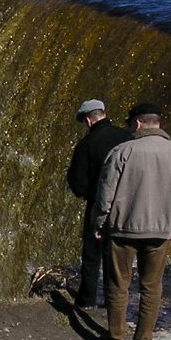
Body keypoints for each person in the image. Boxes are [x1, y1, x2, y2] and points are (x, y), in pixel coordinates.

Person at [92, 103, 171, 340]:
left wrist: (99, 224)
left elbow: (105, 195)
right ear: (157, 122)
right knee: (152, 287)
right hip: (160, 232)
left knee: (118, 285)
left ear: (137, 123)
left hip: (122, 230)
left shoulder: (121, 152)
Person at [65, 98, 132, 308]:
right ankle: (116, 301)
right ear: (103, 113)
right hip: (127, 205)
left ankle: (87, 301)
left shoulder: (87, 144)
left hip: (97, 205)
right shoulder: (128, 137)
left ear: (88, 120)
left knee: (92, 256)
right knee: (118, 255)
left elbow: (78, 185)